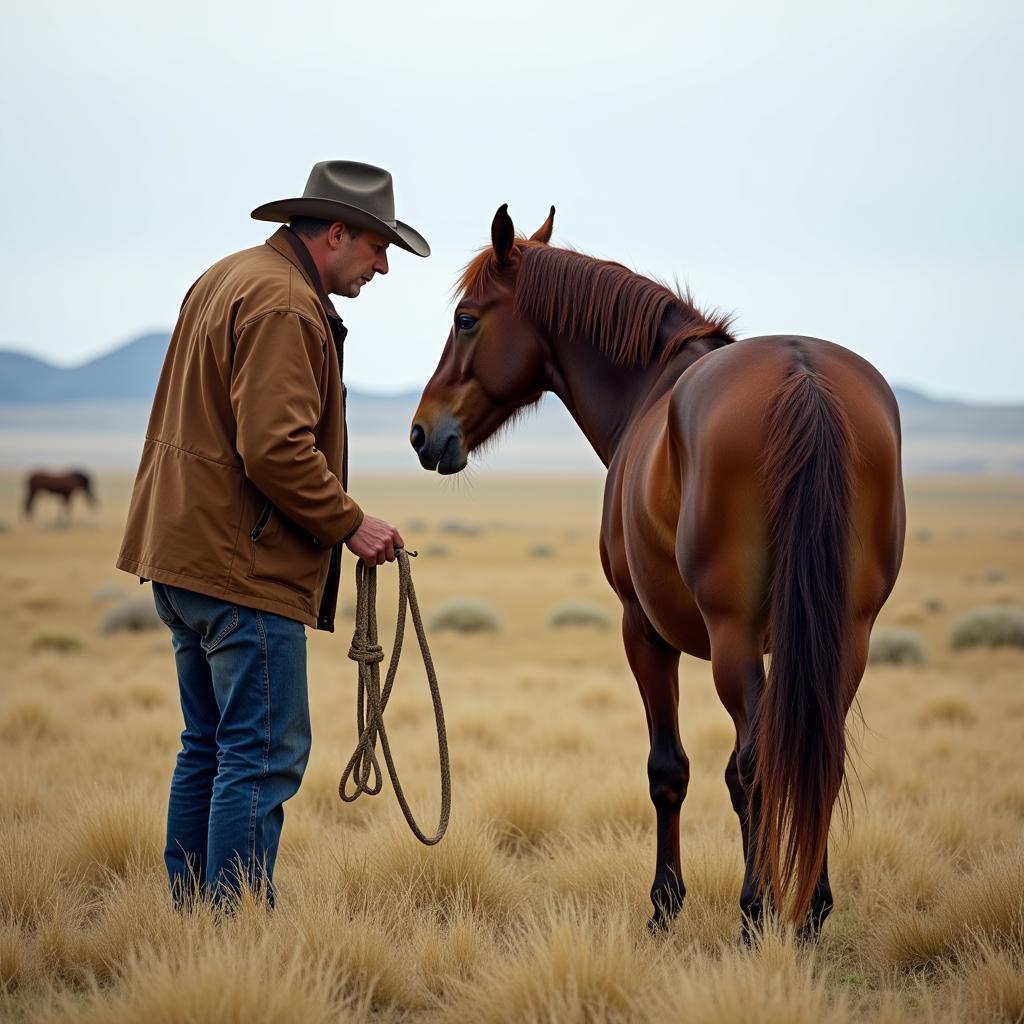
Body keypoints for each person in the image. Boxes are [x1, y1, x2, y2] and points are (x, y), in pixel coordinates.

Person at [115, 160, 429, 906]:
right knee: (260, 755)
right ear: (337, 232)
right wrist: (351, 523)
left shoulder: (228, 276)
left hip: (182, 555)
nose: (384, 266)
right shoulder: (287, 304)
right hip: (241, 569)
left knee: (209, 746)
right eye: (379, 247)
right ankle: (236, 929)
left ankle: (190, 918)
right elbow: (276, 448)